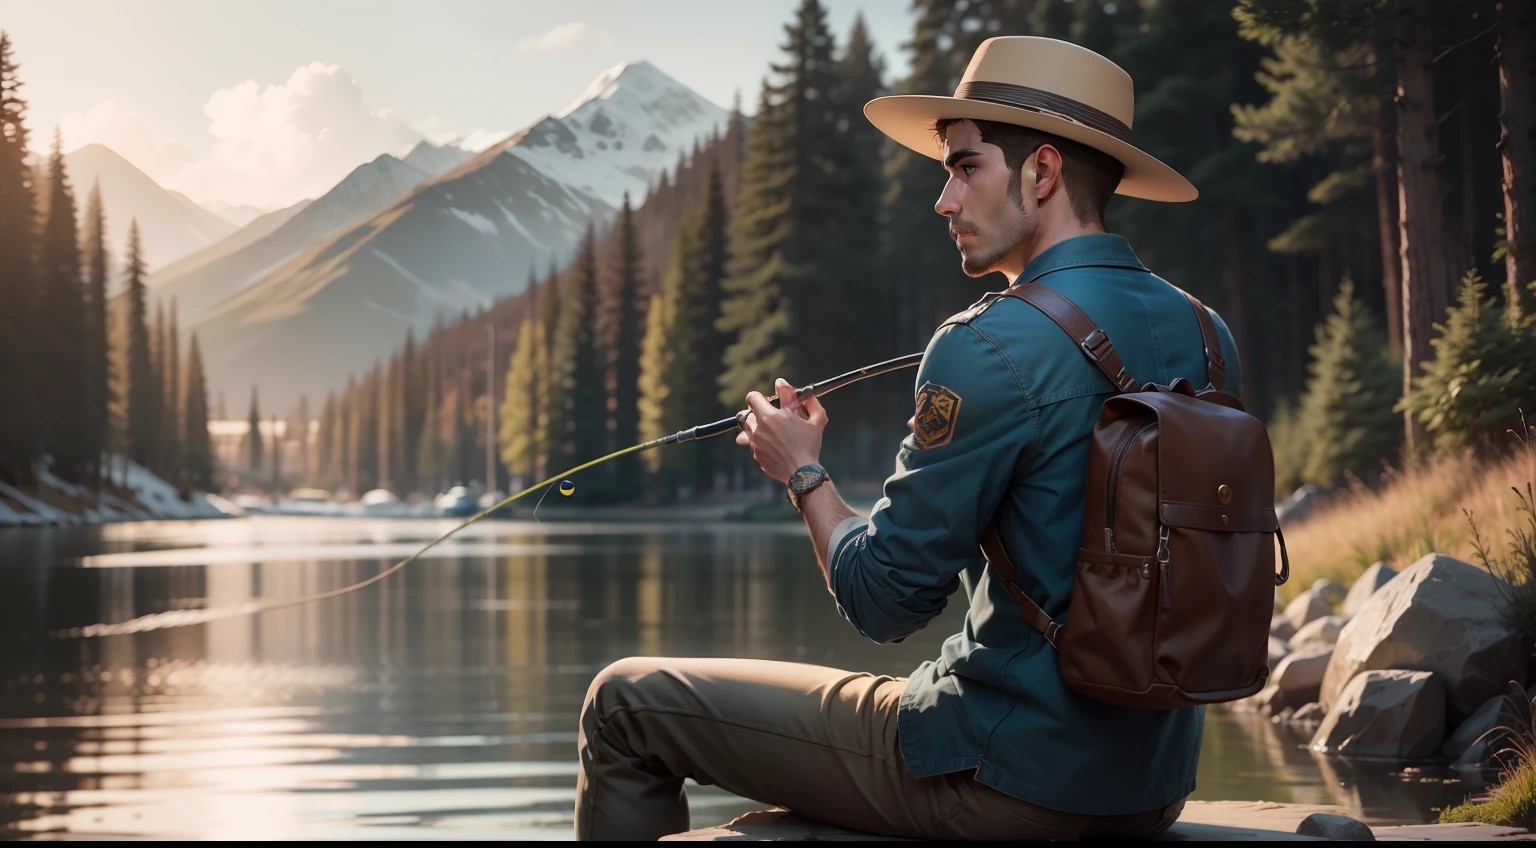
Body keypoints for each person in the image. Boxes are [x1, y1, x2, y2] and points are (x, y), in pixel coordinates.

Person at [575, 36, 1242, 841]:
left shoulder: (983, 346)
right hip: (1151, 786)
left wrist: (805, 473)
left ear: (1043, 172)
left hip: (1002, 777)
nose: (944, 201)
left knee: (624, 703)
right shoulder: (1209, 335)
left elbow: (883, 599)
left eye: (966, 168)